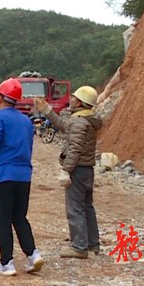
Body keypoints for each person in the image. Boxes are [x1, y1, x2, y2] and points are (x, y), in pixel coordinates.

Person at [0, 78, 43, 276]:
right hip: (24, 176)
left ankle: (6, 263)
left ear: (1, 98)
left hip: (3, 176)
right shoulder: (25, 121)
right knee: (20, 217)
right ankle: (33, 254)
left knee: (3, 220)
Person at [53, 85, 103, 259]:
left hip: (77, 170)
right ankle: (92, 244)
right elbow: (65, 126)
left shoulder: (79, 122)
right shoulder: (87, 120)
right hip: (87, 169)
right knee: (87, 207)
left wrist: (66, 170)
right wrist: (47, 112)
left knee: (75, 208)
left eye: (74, 97)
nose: (71, 99)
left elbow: (74, 148)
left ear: (80, 102)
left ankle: (79, 246)